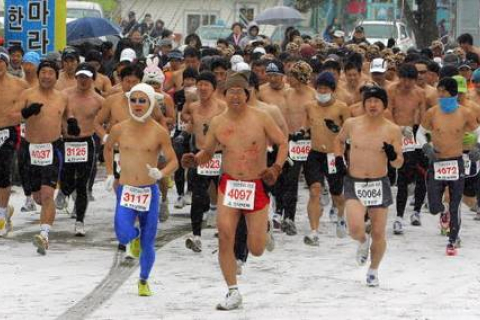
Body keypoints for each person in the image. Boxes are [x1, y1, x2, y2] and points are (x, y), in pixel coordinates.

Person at [182, 72, 287, 310]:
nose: (236, 96)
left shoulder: (261, 117)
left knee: (257, 249)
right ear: (225, 94)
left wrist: (276, 167)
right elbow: (208, 151)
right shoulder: (218, 121)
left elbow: (282, 142)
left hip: (255, 184)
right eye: (231, 91)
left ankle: (265, 229)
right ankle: (233, 291)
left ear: (247, 94)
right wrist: (195, 159)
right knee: (225, 236)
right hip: (229, 185)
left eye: (240, 91)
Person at [104, 83, 178, 296]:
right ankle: (132, 237)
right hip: (126, 190)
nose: (137, 105)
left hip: (149, 192)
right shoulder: (119, 128)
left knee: (149, 240)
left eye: (142, 100)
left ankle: (143, 280)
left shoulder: (159, 132)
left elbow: (174, 161)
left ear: (151, 103)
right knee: (123, 233)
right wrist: (110, 173)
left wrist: (161, 174)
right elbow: (108, 148)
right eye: (133, 100)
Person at [334, 85, 403, 286]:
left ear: (384, 105)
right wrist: (339, 159)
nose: (372, 105)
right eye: (369, 101)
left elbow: (399, 162)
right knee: (355, 228)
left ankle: (373, 270)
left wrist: (392, 155)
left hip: (378, 183)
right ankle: (363, 242)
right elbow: (338, 141)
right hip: (354, 181)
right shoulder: (352, 124)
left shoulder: (392, 129)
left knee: (379, 232)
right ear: (364, 104)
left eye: (377, 101)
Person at [7, 60, 70, 254]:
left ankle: (44, 235)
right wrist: (26, 112)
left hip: (53, 148)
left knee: (47, 194)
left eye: (51, 72)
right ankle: (44, 212)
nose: (46, 76)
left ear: (55, 76)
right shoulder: (28, 94)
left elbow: (68, 116)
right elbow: (13, 116)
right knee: (38, 197)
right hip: (30, 149)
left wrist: (72, 125)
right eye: (44, 72)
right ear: (39, 74)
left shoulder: (62, 97)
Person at [416, 77, 479, 255]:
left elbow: (479, 132)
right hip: (436, 162)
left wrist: (478, 147)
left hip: (456, 162)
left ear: (452, 92)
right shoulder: (432, 112)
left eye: (443, 91)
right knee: (435, 205)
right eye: (438, 91)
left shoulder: (465, 113)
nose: (439, 94)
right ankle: (442, 212)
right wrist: (425, 146)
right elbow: (420, 133)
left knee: (455, 203)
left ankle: (452, 239)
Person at [180, 71, 226, 252]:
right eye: (200, 84)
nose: (203, 87)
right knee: (198, 196)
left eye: (207, 84)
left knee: (224, 197)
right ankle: (196, 235)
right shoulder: (193, 106)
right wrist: (183, 135)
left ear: (214, 88)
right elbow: (193, 125)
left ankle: (225, 232)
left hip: (220, 155)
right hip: (200, 156)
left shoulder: (223, 107)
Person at [56, 63, 104, 236]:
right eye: (80, 76)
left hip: (86, 142)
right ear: (76, 77)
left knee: (83, 184)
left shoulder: (98, 100)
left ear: (92, 79)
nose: (83, 80)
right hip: (66, 141)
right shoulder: (64, 95)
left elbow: (109, 116)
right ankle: (64, 190)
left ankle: (80, 220)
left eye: (87, 77)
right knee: (66, 180)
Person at [304, 72, 351, 245]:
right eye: (319, 88)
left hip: (334, 154)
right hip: (315, 153)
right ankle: (314, 231)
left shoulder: (342, 107)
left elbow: (349, 133)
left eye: (325, 88)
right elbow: (306, 127)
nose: (321, 91)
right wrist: (300, 134)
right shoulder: (309, 106)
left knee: (337, 193)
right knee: (314, 190)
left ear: (332, 90)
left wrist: (336, 129)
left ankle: (340, 216)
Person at [274, 61, 315, 234]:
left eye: (291, 75)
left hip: (309, 141)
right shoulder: (287, 94)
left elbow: (315, 118)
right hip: (291, 141)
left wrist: (305, 130)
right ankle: (287, 216)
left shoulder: (312, 95)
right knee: (289, 180)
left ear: (300, 78)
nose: (287, 78)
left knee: (313, 181)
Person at [387, 63, 426, 233]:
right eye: (404, 79)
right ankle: (399, 217)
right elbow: (387, 113)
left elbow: (423, 117)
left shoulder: (420, 93)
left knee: (420, 172)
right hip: (396, 131)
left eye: (411, 80)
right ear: (399, 77)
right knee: (401, 175)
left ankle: (416, 211)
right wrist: (399, 129)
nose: (407, 83)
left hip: (414, 134)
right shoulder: (392, 90)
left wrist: (420, 134)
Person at [0, 49, 29, 236]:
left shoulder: (19, 84)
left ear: (6, 63)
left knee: (3, 172)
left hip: (8, 132)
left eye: (0, 62)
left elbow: (33, 103)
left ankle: (2, 214)